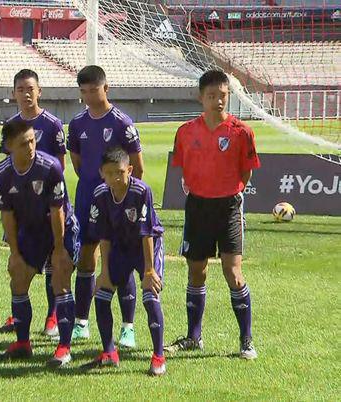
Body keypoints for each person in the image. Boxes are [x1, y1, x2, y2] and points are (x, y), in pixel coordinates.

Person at [165, 70, 259, 360]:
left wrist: (233, 189)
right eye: (212, 96)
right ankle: (194, 337)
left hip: (228, 207)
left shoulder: (242, 132)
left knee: (233, 271)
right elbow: (183, 166)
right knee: (196, 271)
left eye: (223, 95)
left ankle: (246, 340)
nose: (218, 101)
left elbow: (247, 169)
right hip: (197, 207)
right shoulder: (185, 132)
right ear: (201, 97)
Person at [0, 120, 80, 368]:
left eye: (32, 141)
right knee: (18, 279)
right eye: (23, 143)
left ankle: (64, 347)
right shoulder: (1, 173)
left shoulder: (49, 167)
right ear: (9, 146)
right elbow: (7, 215)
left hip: (59, 228)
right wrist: (15, 254)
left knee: (61, 281)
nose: (30, 147)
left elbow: (58, 211)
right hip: (31, 232)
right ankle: (22, 344)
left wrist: (60, 249)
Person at [67, 65, 144, 346]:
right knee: (85, 257)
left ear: (106, 88)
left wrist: (120, 197)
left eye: (94, 90)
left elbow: (138, 167)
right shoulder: (77, 124)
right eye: (84, 91)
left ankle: (128, 328)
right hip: (88, 197)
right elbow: (77, 164)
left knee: (119, 258)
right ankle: (81, 322)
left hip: (118, 202)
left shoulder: (122, 123)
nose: (89, 96)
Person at [0, 69, 67, 337]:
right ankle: (19, 314)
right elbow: (7, 163)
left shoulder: (52, 124)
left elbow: (59, 167)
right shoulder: (12, 125)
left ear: (40, 91)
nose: (26, 94)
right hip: (19, 204)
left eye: (30, 89)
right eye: (20, 89)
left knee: (52, 260)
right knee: (16, 262)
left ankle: (52, 316)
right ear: (14, 93)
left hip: (47, 206)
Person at [86, 147, 166, 376]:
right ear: (102, 172)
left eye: (120, 172)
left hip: (146, 248)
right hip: (120, 248)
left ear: (129, 170)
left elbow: (147, 233)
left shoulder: (142, 191)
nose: (115, 178)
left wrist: (150, 270)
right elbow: (104, 236)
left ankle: (158, 356)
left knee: (150, 296)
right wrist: (104, 272)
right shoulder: (100, 194)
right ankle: (109, 352)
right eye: (109, 173)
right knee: (102, 294)